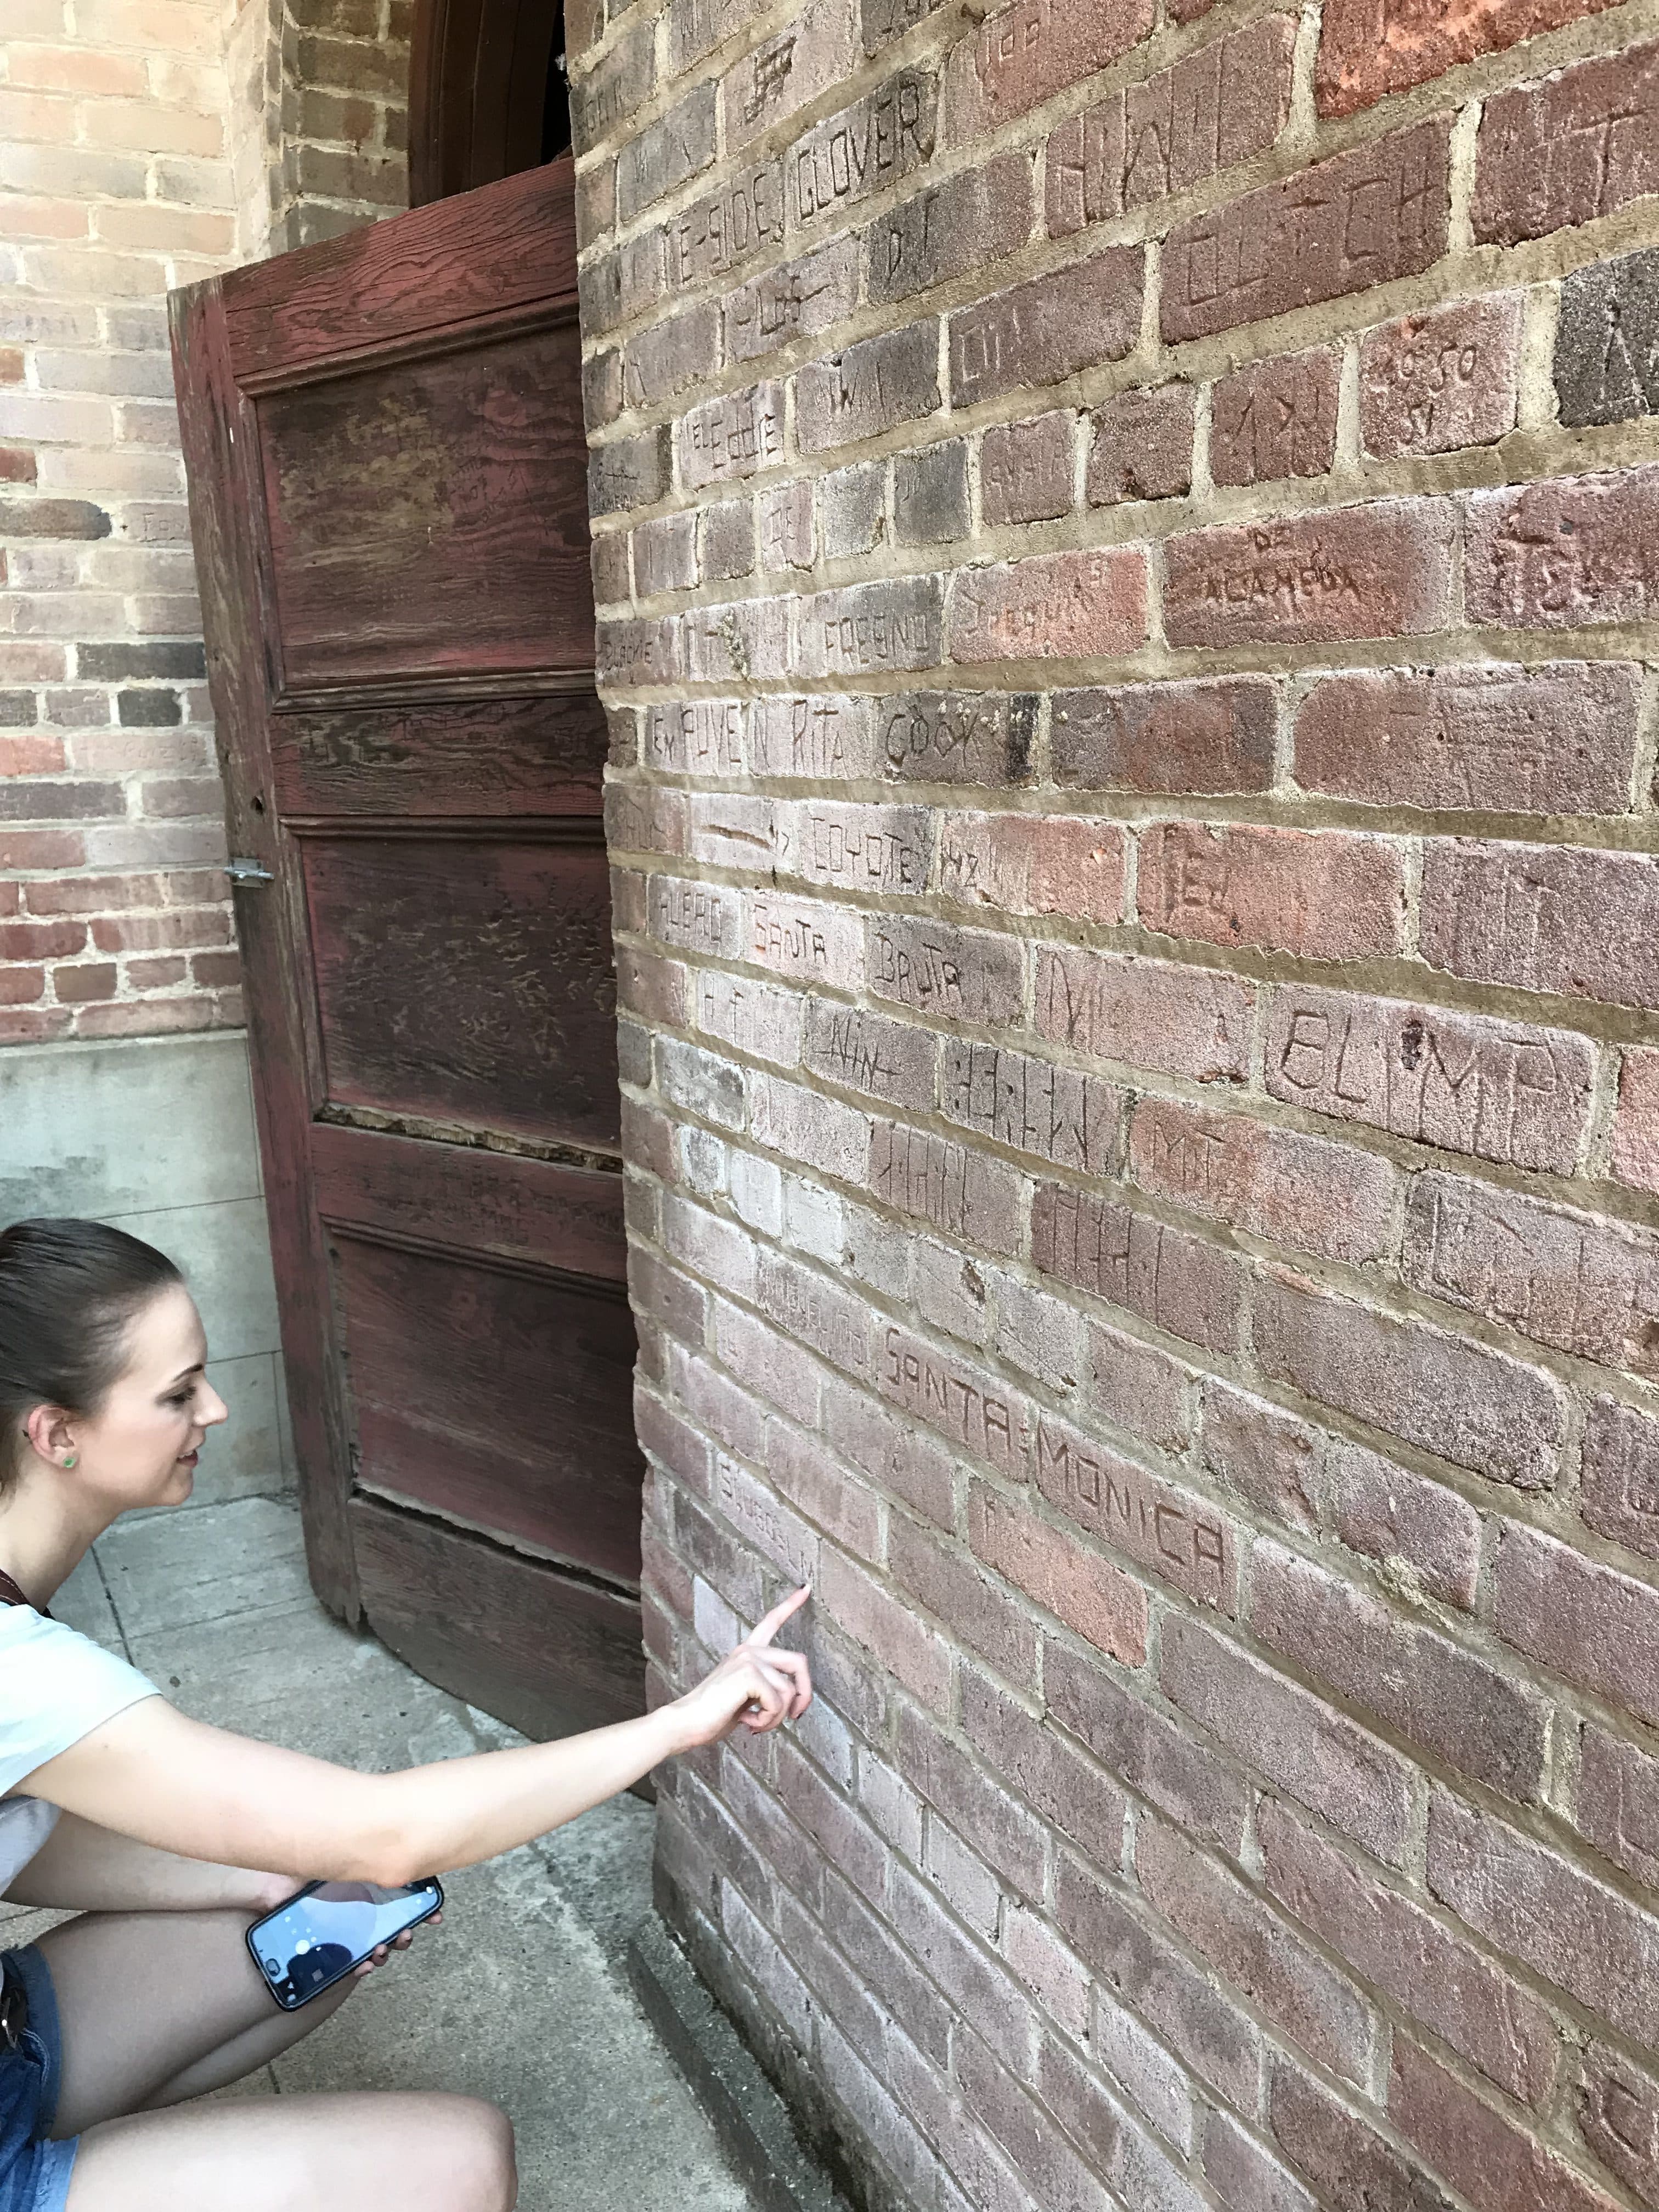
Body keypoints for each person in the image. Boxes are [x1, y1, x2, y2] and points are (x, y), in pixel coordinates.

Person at [0, 1217, 811, 2212]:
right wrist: (679, 1723)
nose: (213, 1408)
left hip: (9, 2039)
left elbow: (20, 1837)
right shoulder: (24, 1676)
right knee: (459, 2161)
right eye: (177, 1392)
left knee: (313, 1908)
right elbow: (391, 1833)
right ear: (56, 1434)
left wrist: (268, 1872)